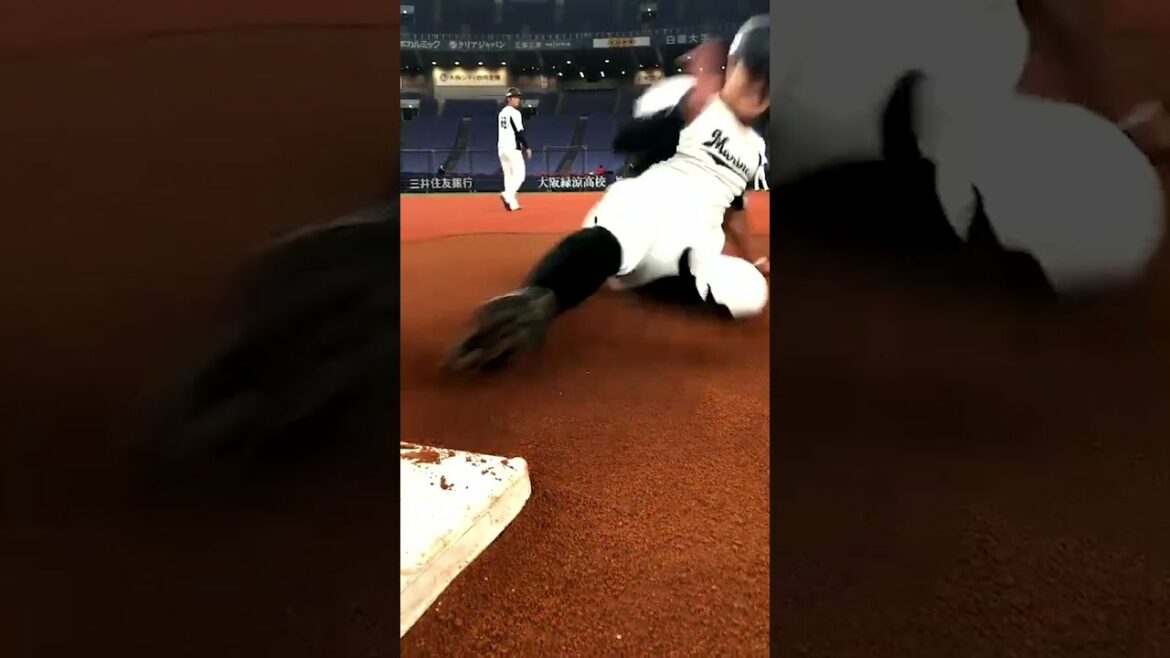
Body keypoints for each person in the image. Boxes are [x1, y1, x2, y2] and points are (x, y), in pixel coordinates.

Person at [446, 17, 771, 373]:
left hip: (691, 250)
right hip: (643, 214)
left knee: (752, 291)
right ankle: (536, 300)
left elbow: (735, 209)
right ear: (734, 65)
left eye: (770, 86)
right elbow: (628, 142)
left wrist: (751, 258)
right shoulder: (686, 94)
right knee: (627, 232)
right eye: (754, 73)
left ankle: (636, 280)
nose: (759, 91)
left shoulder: (755, 149)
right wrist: (685, 111)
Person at [497, 87, 532, 211]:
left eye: (518, 97)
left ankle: (512, 204)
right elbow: (519, 132)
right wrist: (527, 147)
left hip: (502, 148)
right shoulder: (514, 113)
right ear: (509, 99)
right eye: (515, 97)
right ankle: (507, 194)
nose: (518, 100)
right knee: (520, 175)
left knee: (508, 177)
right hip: (512, 147)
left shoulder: (502, 113)